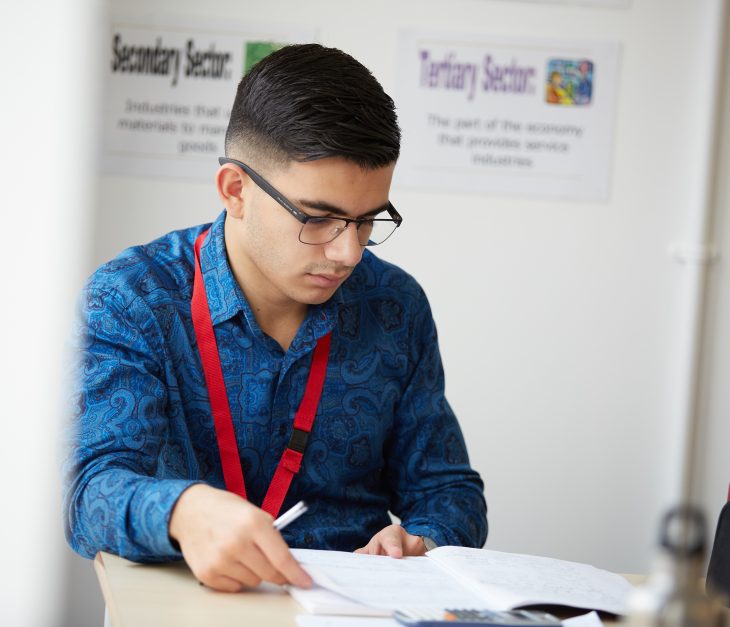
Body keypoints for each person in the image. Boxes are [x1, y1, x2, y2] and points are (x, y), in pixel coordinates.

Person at [63, 43, 487, 593]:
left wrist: (421, 541)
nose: (349, 254)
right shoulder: (134, 297)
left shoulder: (394, 304)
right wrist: (182, 513)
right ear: (236, 190)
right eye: (319, 219)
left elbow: (449, 491)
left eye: (366, 221)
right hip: (190, 604)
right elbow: (88, 493)